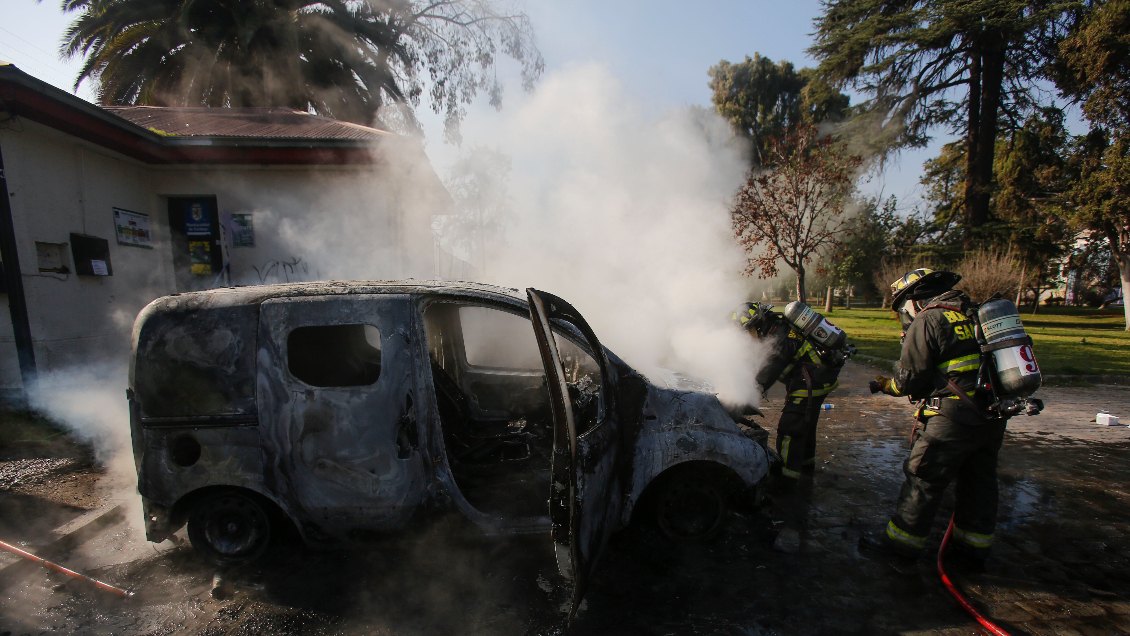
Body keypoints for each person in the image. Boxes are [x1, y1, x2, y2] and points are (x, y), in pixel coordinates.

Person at [859, 268, 1006, 566]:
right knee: (979, 481)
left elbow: (911, 378)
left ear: (913, 300)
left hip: (952, 417)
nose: (905, 315)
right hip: (992, 414)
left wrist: (889, 385)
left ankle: (901, 545)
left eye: (903, 308)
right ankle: (972, 550)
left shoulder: (930, 318)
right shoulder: (975, 313)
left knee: (923, 476)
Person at [732, 302, 843, 485]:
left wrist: (745, 400)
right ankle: (806, 468)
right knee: (806, 425)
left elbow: (766, 375)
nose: (747, 337)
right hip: (818, 379)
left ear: (756, 324)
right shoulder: (776, 331)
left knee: (791, 428)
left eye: (747, 331)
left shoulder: (781, 339)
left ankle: (786, 479)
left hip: (810, 383)